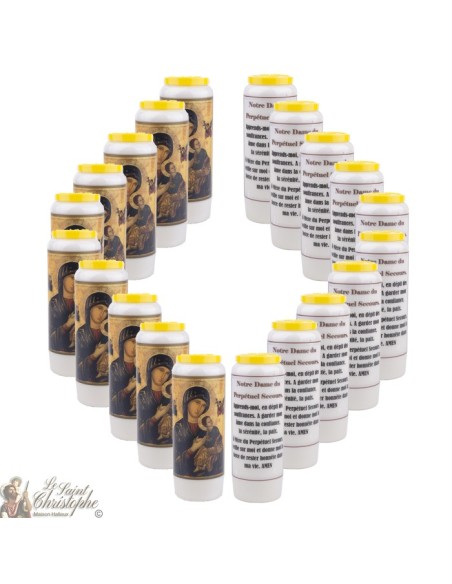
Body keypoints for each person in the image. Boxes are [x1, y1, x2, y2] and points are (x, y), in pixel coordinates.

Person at [174, 386, 212, 477]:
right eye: (197, 402)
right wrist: (192, 449)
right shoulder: (179, 427)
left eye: (203, 405)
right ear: (187, 402)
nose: (200, 408)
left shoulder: (207, 428)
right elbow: (177, 461)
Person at [137, 354, 173, 445]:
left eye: (167, 373)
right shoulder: (143, 395)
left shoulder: (170, 396)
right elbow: (140, 429)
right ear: (151, 369)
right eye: (161, 370)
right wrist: (156, 417)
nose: (163, 375)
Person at [76, 292, 110, 383]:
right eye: (99, 308)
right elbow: (79, 368)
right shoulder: (81, 333)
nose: (102, 313)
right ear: (90, 307)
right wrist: (95, 355)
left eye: (106, 311)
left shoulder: (108, 334)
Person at [110, 325, 140, 416]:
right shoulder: (115, 366)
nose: (135, 346)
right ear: (123, 342)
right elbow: (113, 400)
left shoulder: (141, 367)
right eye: (133, 341)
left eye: (138, 342)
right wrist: (127, 389)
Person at [49, 261, 78, 354]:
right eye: (72, 277)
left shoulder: (82, 302)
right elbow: (52, 337)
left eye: (78, 278)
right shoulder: (55, 302)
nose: (75, 282)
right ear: (63, 278)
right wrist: (67, 324)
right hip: (59, 350)